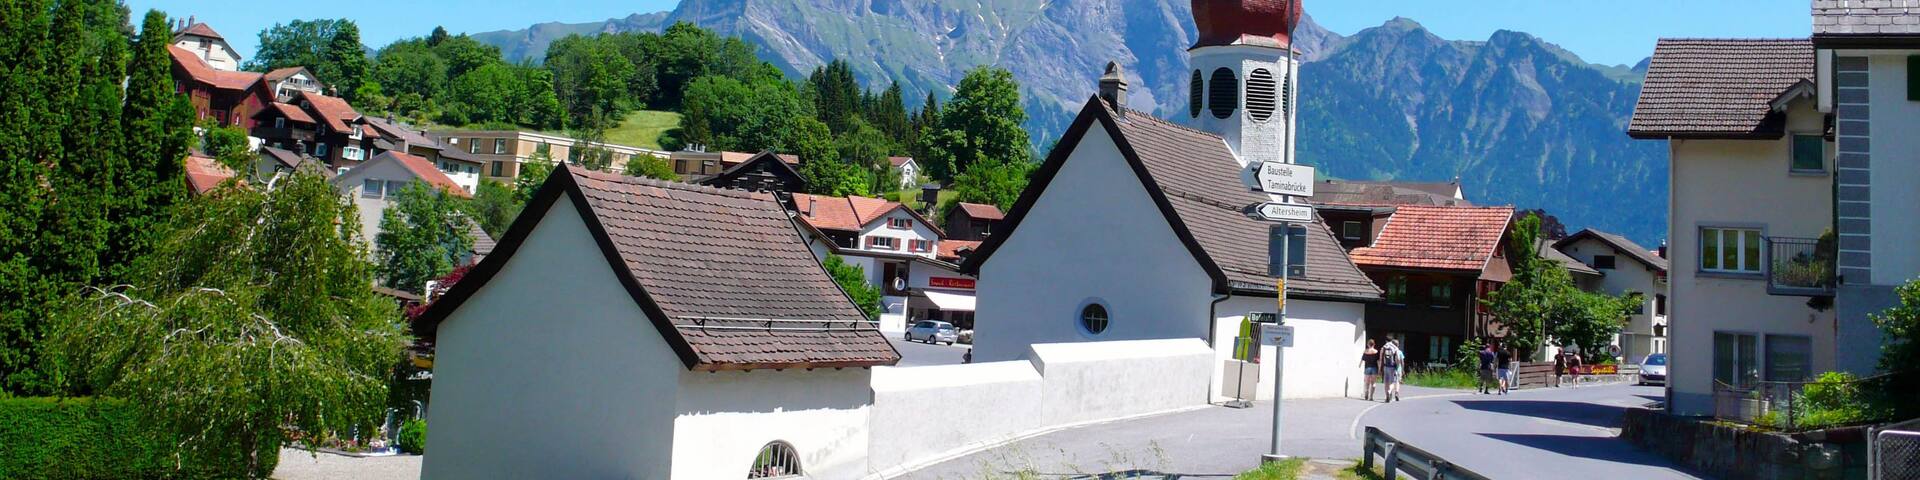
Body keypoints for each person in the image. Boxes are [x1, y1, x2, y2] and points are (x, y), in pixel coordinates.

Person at [1380, 338, 1404, 402]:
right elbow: (1398, 360)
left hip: (1385, 367)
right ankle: (1389, 391)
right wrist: (1397, 366)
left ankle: (1386, 397)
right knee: (1392, 382)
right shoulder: (1396, 349)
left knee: (1386, 382)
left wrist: (1380, 369)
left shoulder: (1384, 347)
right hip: (1392, 367)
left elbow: (1381, 359)